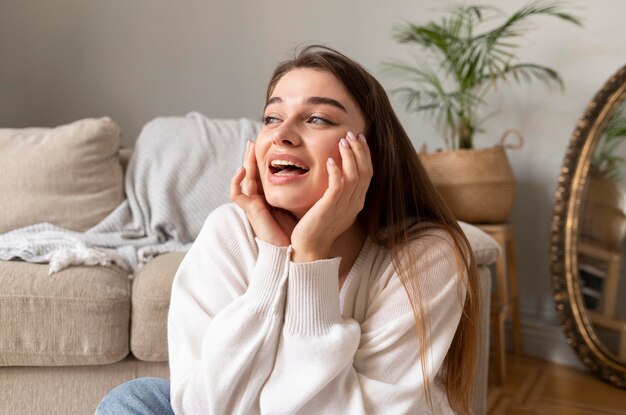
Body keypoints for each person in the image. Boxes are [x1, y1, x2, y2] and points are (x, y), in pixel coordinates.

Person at [96, 44, 479, 415]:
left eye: (317, 119)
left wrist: (310, 259)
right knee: (135, 400)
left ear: (371, 152)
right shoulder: (229, 231)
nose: (283, 134)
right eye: (272, 118)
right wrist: (274, 262)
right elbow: (204, 409)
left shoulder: (426, 254)